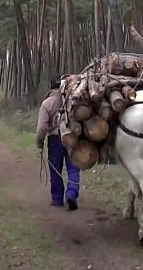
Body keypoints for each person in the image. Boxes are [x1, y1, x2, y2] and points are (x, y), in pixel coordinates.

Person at [36, 75, 80, 210]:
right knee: (73, 168)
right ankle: (71, 194)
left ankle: (57, 199)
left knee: (56, 169)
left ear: (51, 87)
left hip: (55, 139)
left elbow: (42, 126)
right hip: (72, 137)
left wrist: (39, 143)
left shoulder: (47, 103)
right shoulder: (73, 100)